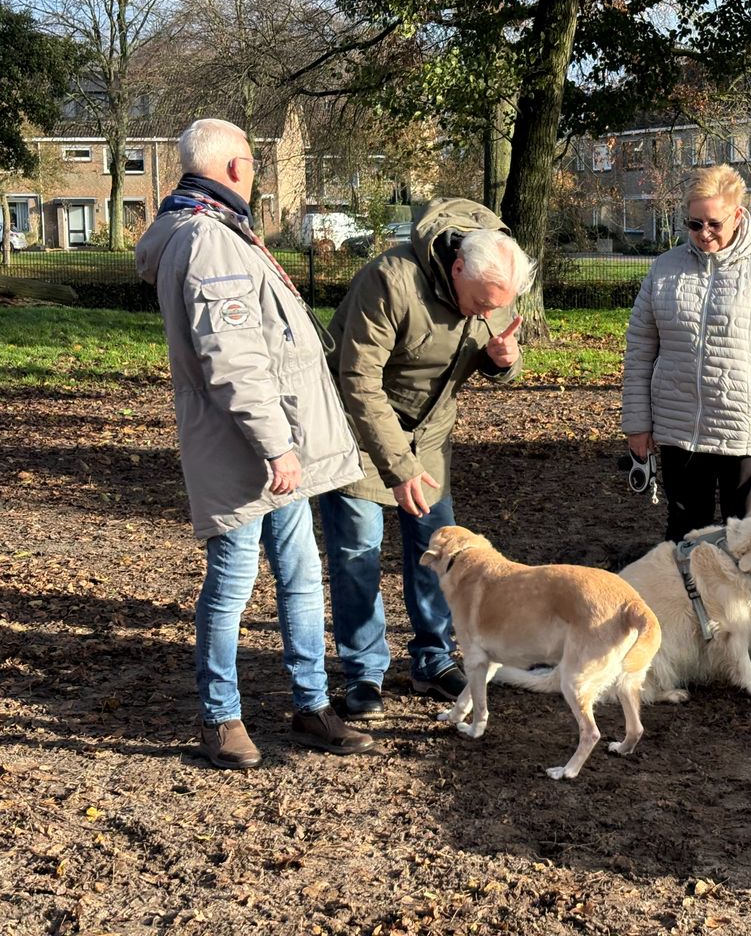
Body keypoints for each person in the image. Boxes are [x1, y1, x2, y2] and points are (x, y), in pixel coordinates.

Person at [135, 118, 376, 769]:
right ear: (236, 167)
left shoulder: (220, 230)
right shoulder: (209, 239)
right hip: (249, 453)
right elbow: (232, 360)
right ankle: (221, 721)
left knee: (300, 575)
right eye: (251, 162)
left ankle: (311, 704)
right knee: (233, 583)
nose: (255, 172)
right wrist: (276, 446)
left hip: (273, 450)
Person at [318, 198, 535, 718]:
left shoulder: (495, 277)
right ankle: (363, 671)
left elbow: (490, 350)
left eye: (494, 307)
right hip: (360, 431)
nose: (486, 313)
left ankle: (433, 659)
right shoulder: (390, 281)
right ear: (457, 267)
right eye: (479, 303)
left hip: (431, 436)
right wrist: (398, 467)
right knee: (357, 556)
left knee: (442, 554)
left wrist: (502, 361)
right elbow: (358, 381)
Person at [622, 164, 751, 543]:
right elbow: (640, 348)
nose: (703, 234)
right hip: (680, 429)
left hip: (746, 429)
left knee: (746, 538)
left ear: (738, 215)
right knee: (685, 536)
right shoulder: (665, 269)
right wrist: (638, 423)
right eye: (694, 224)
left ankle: (742, 605)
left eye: (713, 223)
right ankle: (684, 603)